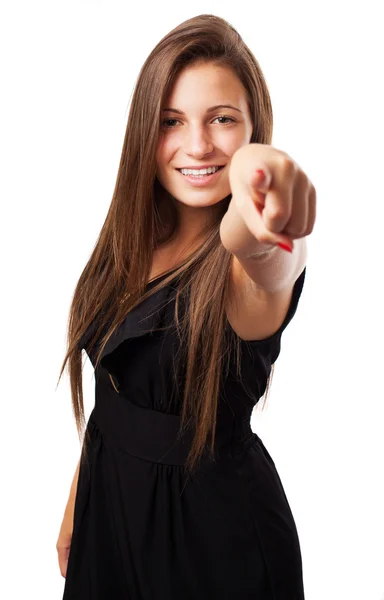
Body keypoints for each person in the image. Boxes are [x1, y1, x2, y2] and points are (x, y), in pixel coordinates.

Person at [56, 13, 315, 600]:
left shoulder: (246, 264)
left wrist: (272, 211)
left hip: (212, 545)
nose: (198, 145)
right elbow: (115, 392)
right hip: (111, 517)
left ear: (253, 129)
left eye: (222, 120)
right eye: (172, 121)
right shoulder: (132, 239)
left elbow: (273, 256)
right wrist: (79, 498)